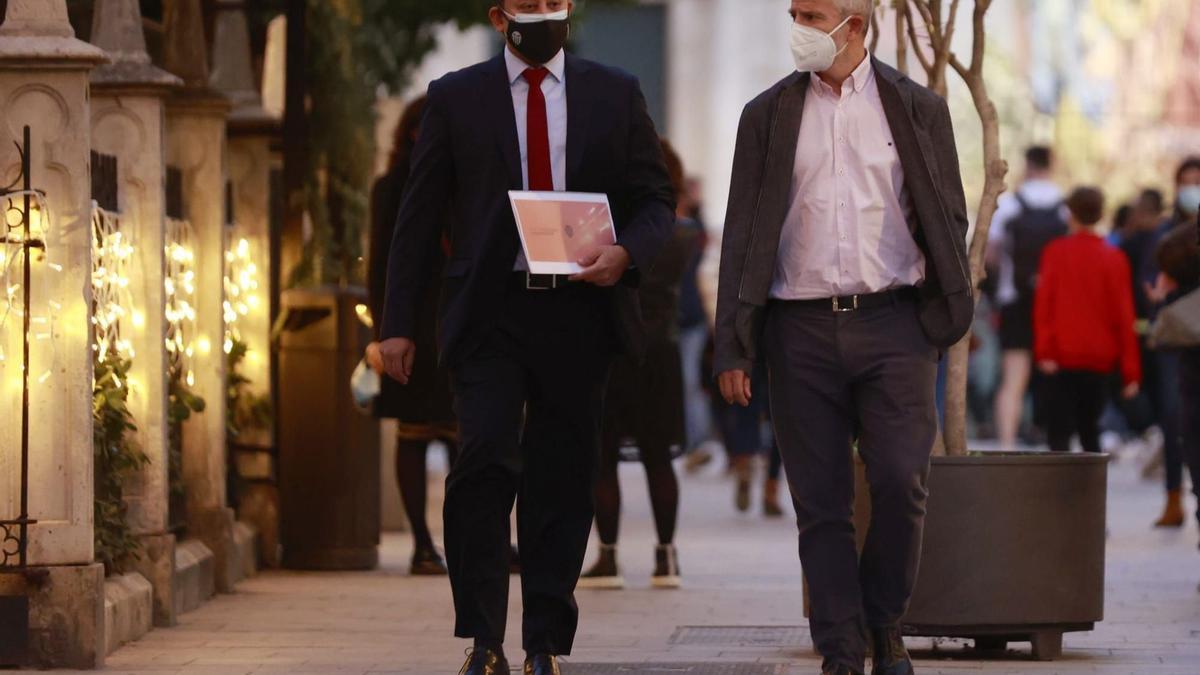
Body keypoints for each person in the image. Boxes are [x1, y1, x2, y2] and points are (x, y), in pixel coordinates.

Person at [375, 1, 674, 672]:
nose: (541, 13)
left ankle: (544, 641)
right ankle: (484, 639)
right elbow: (417, 218)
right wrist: (395, 325)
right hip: (491, 311)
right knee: (482, 459)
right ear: (497, 14)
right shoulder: (456, 98)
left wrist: (626, 252)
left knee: (563, 475)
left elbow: (656, 200)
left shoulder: (615, 92)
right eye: (527, 3)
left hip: (579, 311)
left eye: (552, 2)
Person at [714, 1, 972, 673]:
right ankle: (841, 645)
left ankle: (884, 618)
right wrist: (734, 344)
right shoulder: (765, 116)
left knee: (900, 479)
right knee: (819, 501)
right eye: (794, 11)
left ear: (854, 23)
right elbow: (741, 232)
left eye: (813, 12)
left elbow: (949, 215)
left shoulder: (917, 108)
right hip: (796, 329)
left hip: (895, 324)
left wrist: (938, 314)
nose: (799, 24)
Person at [579, 139, 696, 591]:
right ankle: (666, 557)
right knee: (658, 459)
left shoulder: (610, 234)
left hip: (611, 350)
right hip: (660, 354)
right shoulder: (683, 234)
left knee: (604, 458)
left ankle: (607, 558)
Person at [363, 95, 462, 576]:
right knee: (414, 434)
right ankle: (422, 544)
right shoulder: (392, 187)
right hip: (414, 329)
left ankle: (472, 541)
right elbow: (381, 262)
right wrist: (386, 331)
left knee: (468, 440)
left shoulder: (465, 180)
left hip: (461, 324)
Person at [1033, 187, 1141, 453]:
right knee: (1090, 430)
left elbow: (1044, 305)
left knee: (1058, 433)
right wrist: (1130, 370)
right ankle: (1088, 492)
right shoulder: (1115, 258)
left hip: (1060, 356)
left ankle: (1058, 493)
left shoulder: (1055, 252)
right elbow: (1124, 315)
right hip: (1099, 358)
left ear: (1070, 213)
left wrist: (1044, 349)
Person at [988, 146, 1066, 449]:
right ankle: (1055, 442)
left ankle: (1007, 442)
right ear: (1051, 165)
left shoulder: (1009, 205)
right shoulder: (1064, 207)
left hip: (1015, 300)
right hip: (1054, 305)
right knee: (1055, 377)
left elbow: (991, 254)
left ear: (1027, 164)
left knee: (1013, 378)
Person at [1146, 158, 1200, 527]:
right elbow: (1153, 285)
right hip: (1182, 346)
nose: (1191, 190)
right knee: (1176, 419)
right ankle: (1174, 498)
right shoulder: (1169, 236)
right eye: (1186, 182)